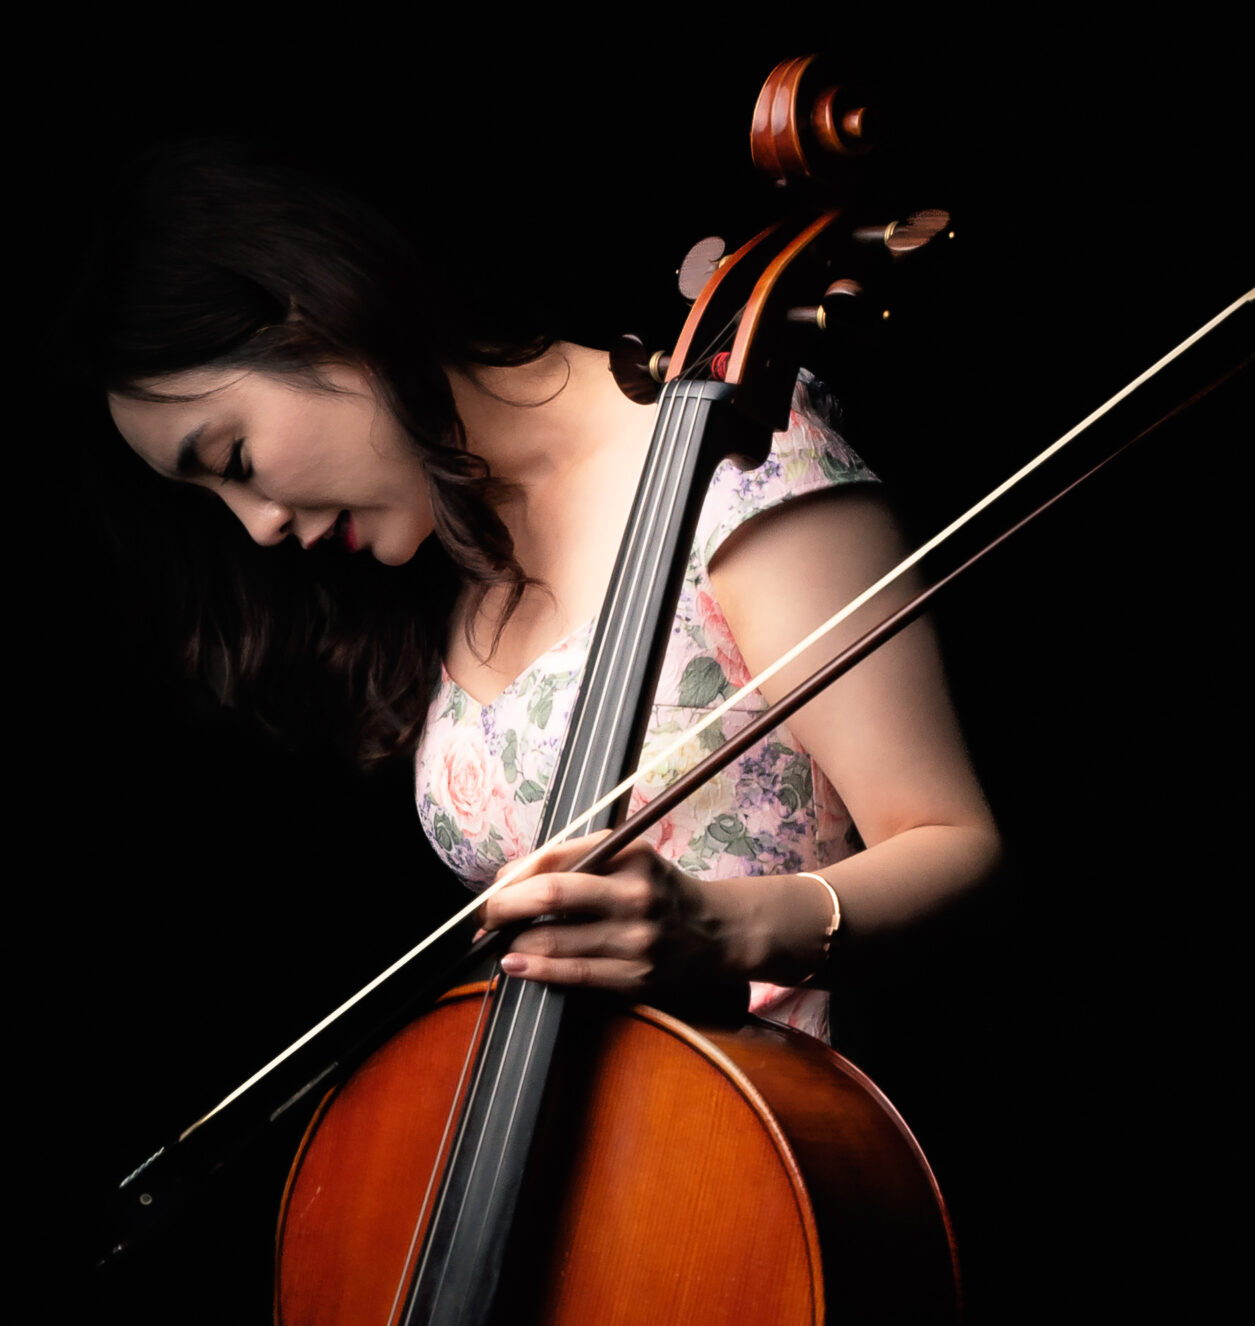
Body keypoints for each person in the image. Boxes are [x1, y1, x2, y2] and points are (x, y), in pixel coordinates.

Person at [69, 135, 999, 1037]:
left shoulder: (735, 465)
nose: (258, 526)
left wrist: (724, 928)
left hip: (790, 1137)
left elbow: (954, 844)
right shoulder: (455, 559)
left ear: (313, 313)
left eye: (234, 459)